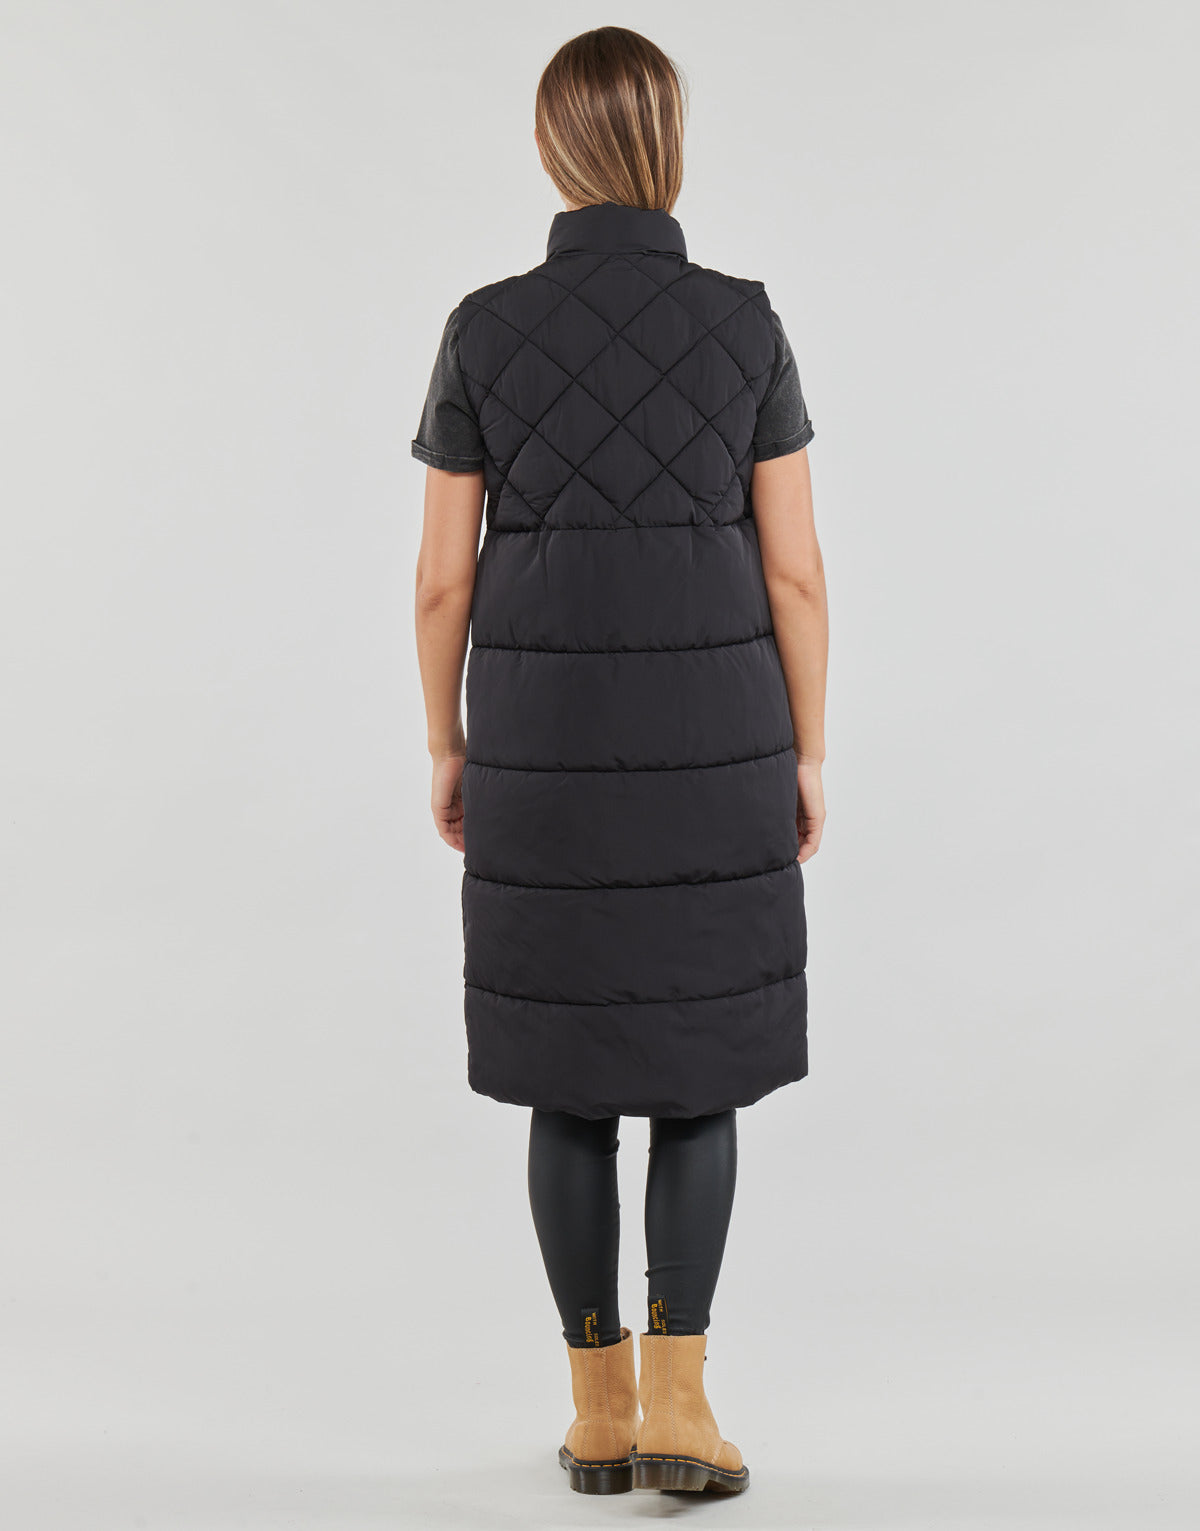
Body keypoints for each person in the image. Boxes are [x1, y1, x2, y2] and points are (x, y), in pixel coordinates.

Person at [412, 26, 827, 1498]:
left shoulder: (483, 330)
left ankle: (599, 1412)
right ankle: (679, 1406)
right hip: (719, 749)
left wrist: (449, 743)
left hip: (540, 753)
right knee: (696, 1073)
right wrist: (809, 752)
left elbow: (442, 582)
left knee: (570, 1081)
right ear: (669, 145)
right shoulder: (744, 325)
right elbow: (795, 574)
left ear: (553, 149)